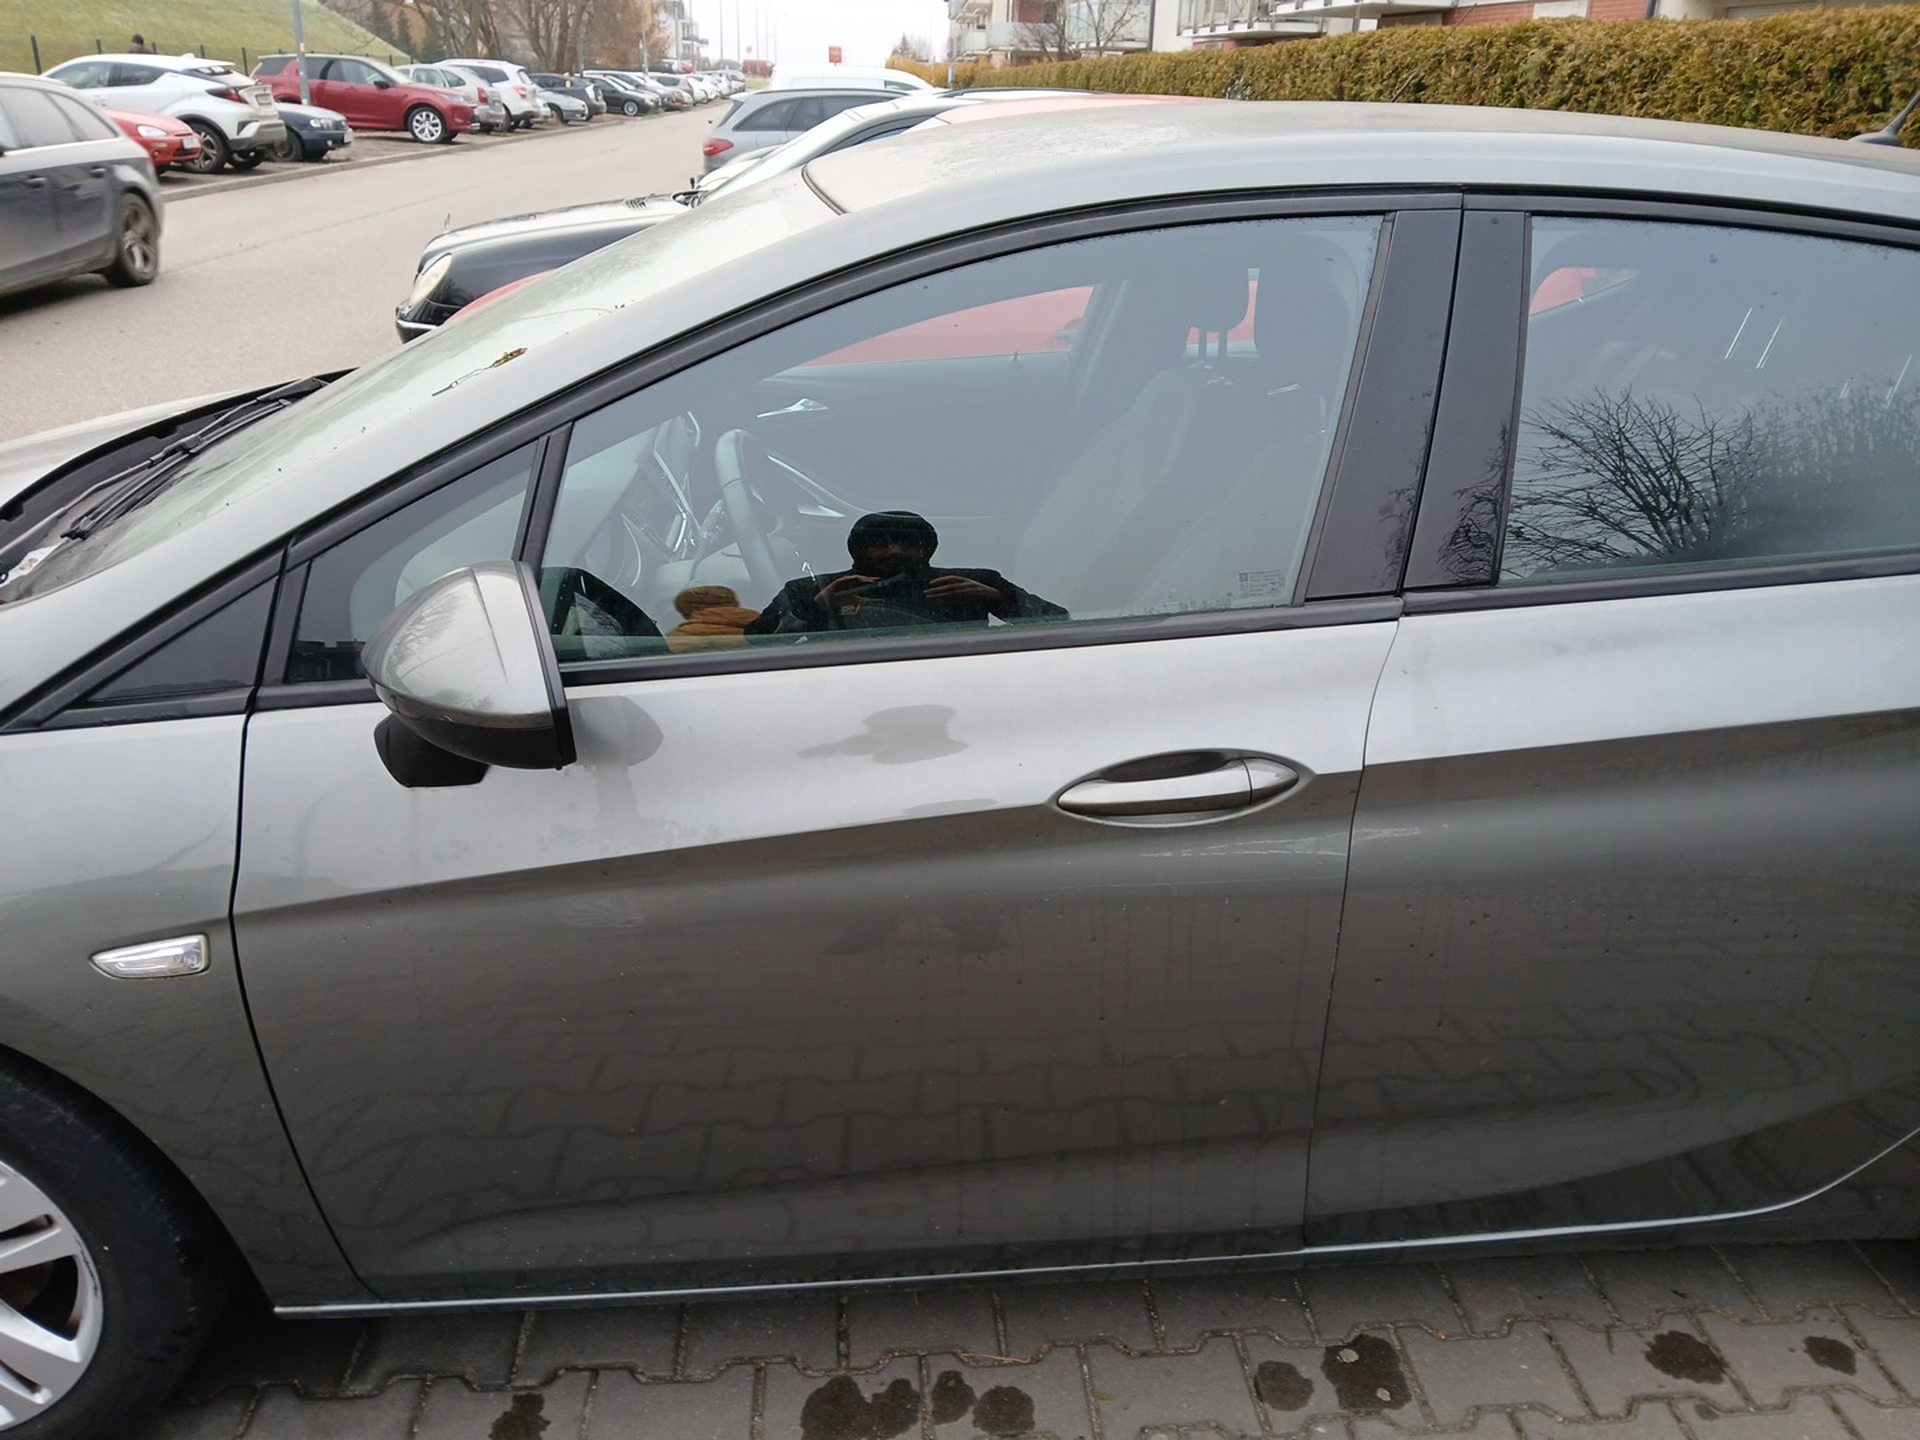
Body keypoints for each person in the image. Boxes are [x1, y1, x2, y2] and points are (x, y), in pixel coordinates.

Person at [746, 510, 1065, 635]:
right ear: (858, 549)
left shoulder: (975, 581)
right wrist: (819, 605)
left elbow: (1058, 621)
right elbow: (757, 641)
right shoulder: (807, 590)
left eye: (908, 542)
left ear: (927, 548)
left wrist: (995, 598)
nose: (895, 551)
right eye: (880, 542)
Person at [664, 584, 760, 653]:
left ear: (693, 610)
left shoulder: (681, 637)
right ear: (735, 604)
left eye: (684, 612)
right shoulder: (763, 625)